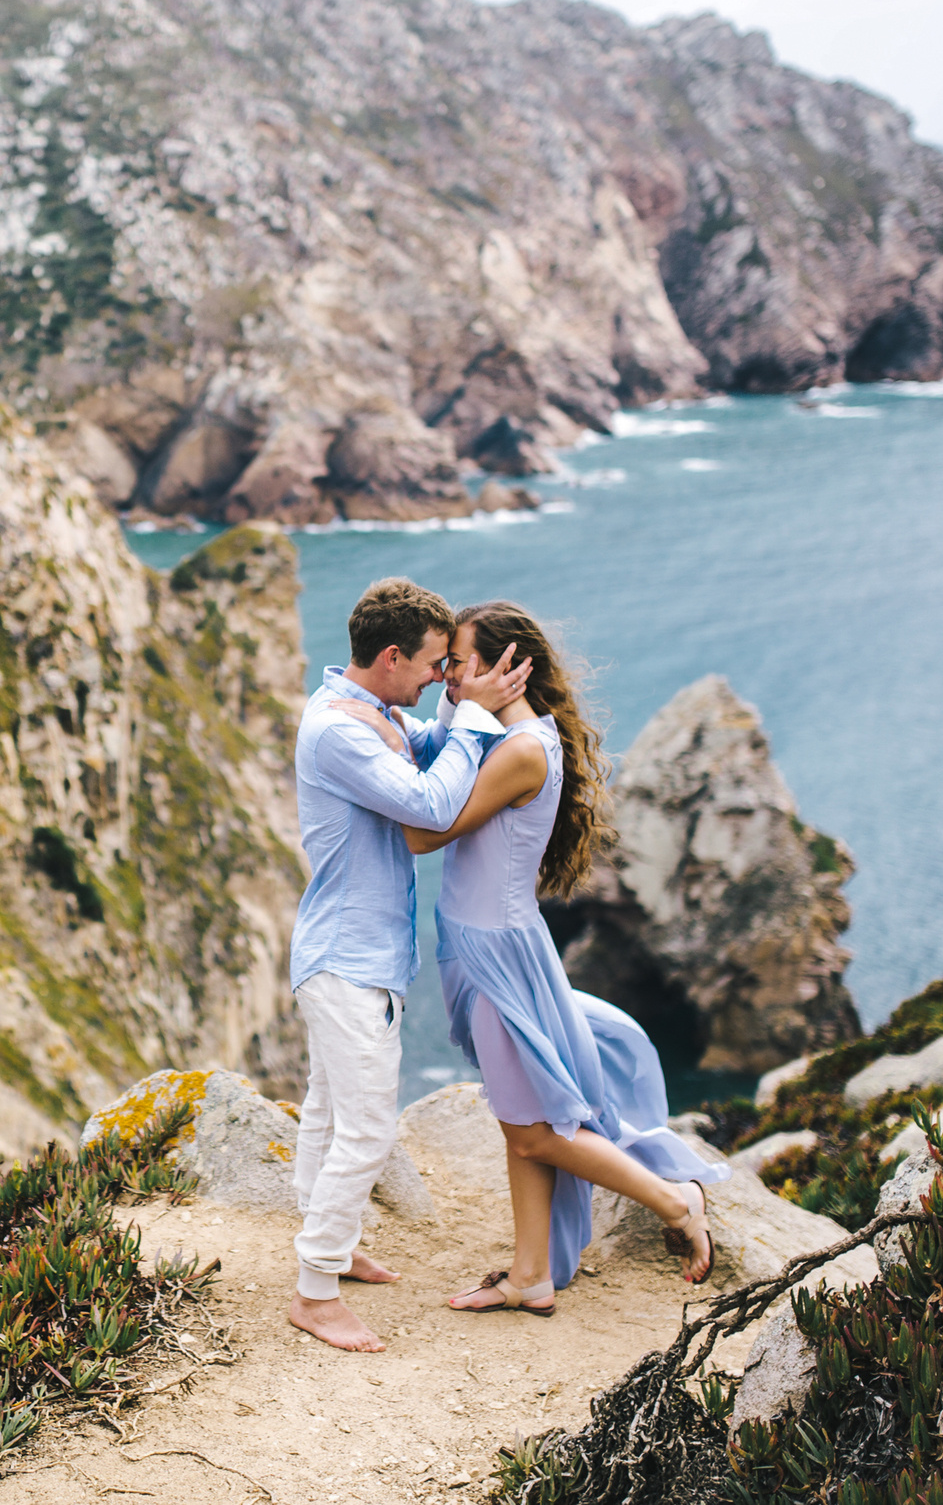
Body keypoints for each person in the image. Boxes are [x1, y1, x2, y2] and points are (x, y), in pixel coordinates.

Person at [339, 600, 721, 1315]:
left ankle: (675, 1201)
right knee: (524, 1117)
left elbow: (427, 832)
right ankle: (531, 1275)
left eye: (458, 660)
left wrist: (381, 769)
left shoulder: (519, 749)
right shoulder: (497, 735)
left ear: (508, 668)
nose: (447, 674)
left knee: (533, 1129)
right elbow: (437, 757)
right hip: (483, 944)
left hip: (497, 955)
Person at [285, 578, 530, 1354]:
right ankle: (314, 1292)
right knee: (364, 1127)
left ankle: (333, 1244)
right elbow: (428, 805)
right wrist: (482, 720)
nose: (437, 679)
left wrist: (468, 703)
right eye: (431, 664)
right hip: (346, 956)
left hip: (354, 953)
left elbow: (429, 746)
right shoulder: (340, 732)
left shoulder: (380, 712)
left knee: (327, 1109)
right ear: (390, 656)